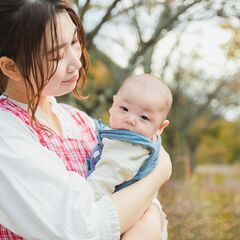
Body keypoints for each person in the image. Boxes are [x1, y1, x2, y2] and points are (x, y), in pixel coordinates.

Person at [0, 1, 172, 240]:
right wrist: (161, 172)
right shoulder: (6, 135)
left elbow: (135, 190)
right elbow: (82, 230)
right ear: (12, 67)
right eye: (57, 55)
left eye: (74, 41)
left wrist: (150, 213)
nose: (77, 62)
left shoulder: (78, 121)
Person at [87, 74, 172, 197]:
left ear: (160, 128)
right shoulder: (127, 137)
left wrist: (78, 201)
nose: (130, 119)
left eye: (144, 117)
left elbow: (99, 185)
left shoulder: (128, 148)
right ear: (113, 104)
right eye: (125, 109)